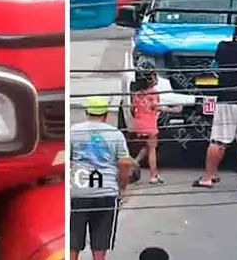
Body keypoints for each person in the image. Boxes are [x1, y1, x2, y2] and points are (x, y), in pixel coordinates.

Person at [193, 14, 237, 190]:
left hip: (225, 100)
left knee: (218, 140)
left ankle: (208, 177)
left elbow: (215, 67)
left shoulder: (223, 48)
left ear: (235, 28)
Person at [71, 96, 135, 260]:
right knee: (100, 240)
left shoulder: (73, 131)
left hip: (78, 193)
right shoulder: (115, 134)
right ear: (105, 115)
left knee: (73, 239)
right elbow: (125, 163)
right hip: (106, 192)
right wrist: (122, 188)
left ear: (87, 112)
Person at [131, 70, 180, 185]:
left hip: (139, 123)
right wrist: (173, 110)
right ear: (150, 80)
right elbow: (157, 107)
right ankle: (153, 175)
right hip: (150, 124)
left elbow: (132, 109)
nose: (157, 79)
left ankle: (133, 163)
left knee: (147, 147)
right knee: (152, 150)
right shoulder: (153, 93)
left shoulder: (137, 94)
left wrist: (139, 118)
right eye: (155, 77)